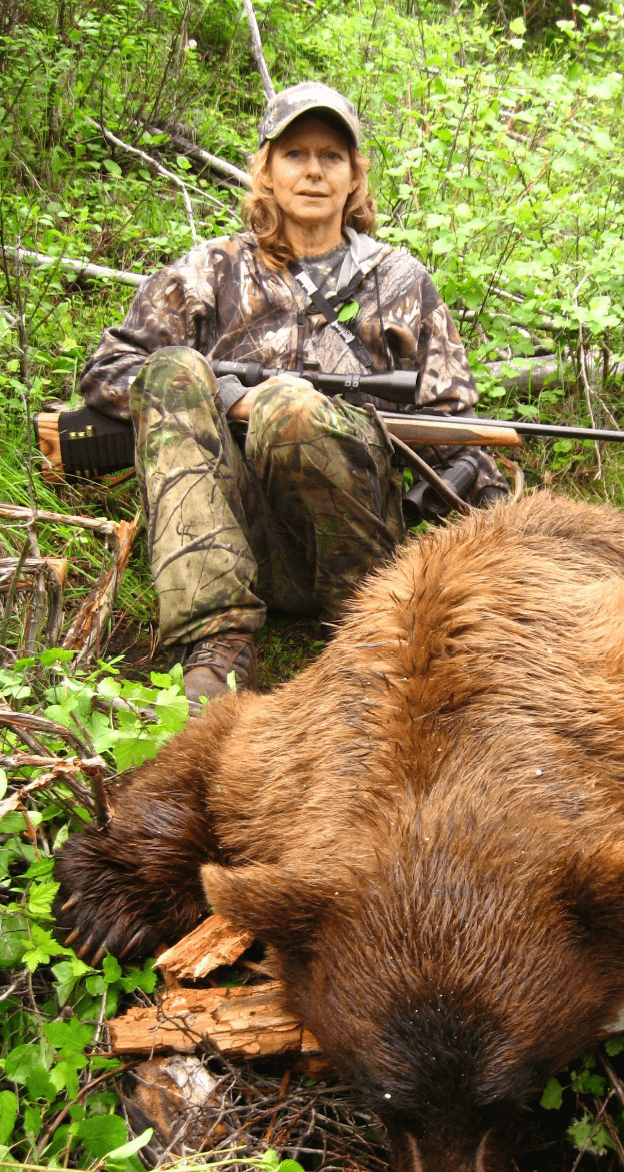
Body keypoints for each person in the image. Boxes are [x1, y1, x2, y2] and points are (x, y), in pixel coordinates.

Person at [80, 82, 506, 709]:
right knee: (171, 368)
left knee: (292, 408)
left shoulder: (401, 280)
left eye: (331, 157)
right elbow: (110, 369)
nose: (313, 172)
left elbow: (453, 429)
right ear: (267, 171)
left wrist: (501, 526)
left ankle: (363, 629)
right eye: (295, 155)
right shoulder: (211, 271)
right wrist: (227, 398)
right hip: (233, 538)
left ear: (354, 177)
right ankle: (215, 642)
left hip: (359, 556)